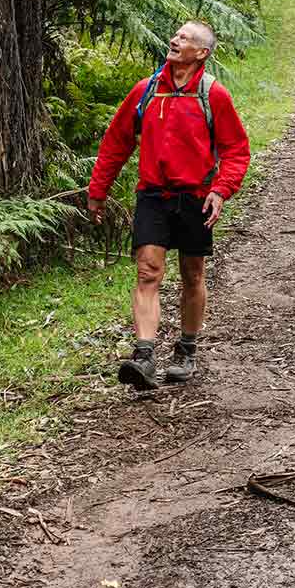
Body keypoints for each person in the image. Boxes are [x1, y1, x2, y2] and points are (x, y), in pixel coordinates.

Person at [88, 21, 251, 389]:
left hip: (195, 197)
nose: (175, 40)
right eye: (176, 35)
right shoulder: (145, 92)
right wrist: (98, 190)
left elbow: (237, 150)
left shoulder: (214, 96)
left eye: (185, 38)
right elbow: (116, 143)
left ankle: (186, 349)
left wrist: (221, 190)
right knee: (148, 272)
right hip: (152, 195)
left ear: (202, 53)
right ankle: (144, 357)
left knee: (193, 273)